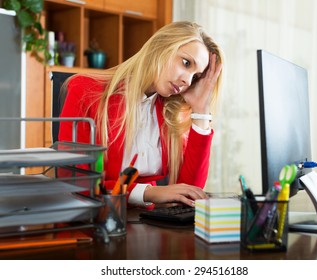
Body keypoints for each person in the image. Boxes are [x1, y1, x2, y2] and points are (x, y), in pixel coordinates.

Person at [58, 21, 223, 208]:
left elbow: (189, 194)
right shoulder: (84, 90)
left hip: (148, 224)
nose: (187, 80)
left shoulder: (171, 112)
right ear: (161, 47)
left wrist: (201, 112)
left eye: (196, 77)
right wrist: (149, 192)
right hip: (96, 221)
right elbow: (79, 182)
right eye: (186, 63)